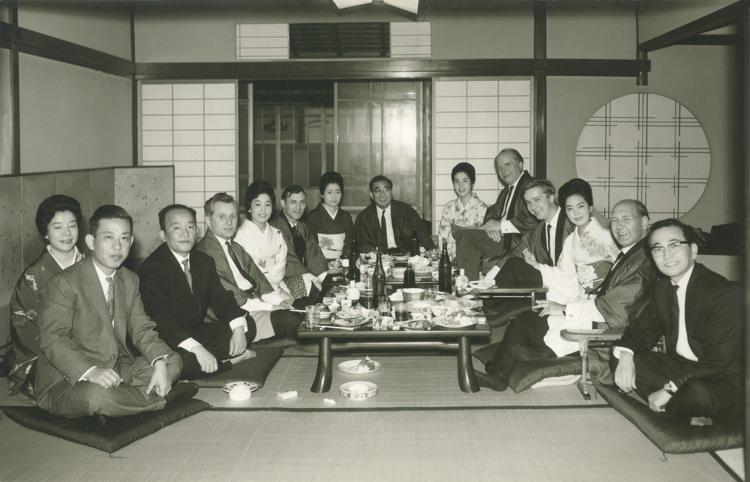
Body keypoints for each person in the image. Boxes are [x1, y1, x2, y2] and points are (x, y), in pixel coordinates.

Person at [476, 199, 657, 392]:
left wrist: (564, 308)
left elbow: (614, 309)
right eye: (615, 220)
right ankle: (500, 375)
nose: (619, 226)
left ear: (644, 222)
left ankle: (544, 353)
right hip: (589, 305)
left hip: (606, 323)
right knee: (525, 320)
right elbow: (566, 275)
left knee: (544, 322)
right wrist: (541, 273)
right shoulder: (629, 252)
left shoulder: (642, 262)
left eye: (626, 219)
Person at [35, 205, 189, 421]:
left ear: (131, 242)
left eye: (124, 238)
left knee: (173, 361)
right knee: (96, 397)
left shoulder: (129, 279)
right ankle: (161, 399)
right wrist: (91, 372)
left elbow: (142, 328)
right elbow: (53, 339)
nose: (117, 247)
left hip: (117, 369)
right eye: (108, 238)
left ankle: (123, 399)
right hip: (68, 379)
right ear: (90, 242)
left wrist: (159, 363)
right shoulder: (64, 283)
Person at [611, 219, 742, 421]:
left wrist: (671, 387)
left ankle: (675, 405)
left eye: (674, 246)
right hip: (682, 368)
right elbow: (643, 328)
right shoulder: (663, 287)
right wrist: (627, 356)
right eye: (658, 249)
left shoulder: (720, 293)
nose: (667, 255)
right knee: (621, 358)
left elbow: (717, 361)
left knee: (698, 393)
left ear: (693, 250)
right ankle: (681, 409)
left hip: (721, 376)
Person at [138, 204, 257, 381]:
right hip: (168, 338)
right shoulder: (152, 269)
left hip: (196, 331)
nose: (185, 233)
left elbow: (221, 299)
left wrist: (238, 330)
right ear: (163, 235)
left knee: (247, 325)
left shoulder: (204, 261)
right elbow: (161, 322)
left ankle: (210, 360)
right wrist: (197, 349)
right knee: (181, 363)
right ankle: (230, 361)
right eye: (176, 228)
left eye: (190, 227)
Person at [7, 195, 86, 397]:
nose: (67, 233)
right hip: (48, 355)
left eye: (72, 225)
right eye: (58, 227)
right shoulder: (32, 277)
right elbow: (24, 329)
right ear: (45, 232)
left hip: (91, 349)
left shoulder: (91, 267)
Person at [196, 192, 301, 342]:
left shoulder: (235, 247)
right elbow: (232, 298)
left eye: (233, 216)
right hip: (233, 315)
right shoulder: (206, 254)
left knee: (303, 307)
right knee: (293, 321)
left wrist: (279, 302)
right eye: (222, 217)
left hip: (253, 303)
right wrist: (271, 307)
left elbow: (259, 280)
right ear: (207, 220)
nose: (229, 222)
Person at [521, 178, 619, 306]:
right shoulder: (569, 241)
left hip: (606, 302)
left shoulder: (607, 236)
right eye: (570, 209)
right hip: (581, 302)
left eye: (580, 206)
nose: (576, 213)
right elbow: (564, 276)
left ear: (590, 208)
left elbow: (623, 272)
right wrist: (537, 265)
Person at [454, 149, 540, 280]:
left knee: (468, 237)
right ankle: (465, 280)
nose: (503, 170)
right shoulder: (507, 191)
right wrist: (491, 228)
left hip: (518, 242)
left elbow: (535, 220)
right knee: (459, 233)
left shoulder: (532, 186)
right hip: (502, 239)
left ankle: (467, 286)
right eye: (499, 167)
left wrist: (502, 225)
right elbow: (491, 211)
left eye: (507, 165)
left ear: (521, 165)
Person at [491, 179, 574, 290]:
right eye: (528, 202)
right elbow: (518, 251)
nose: (533, 207)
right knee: (513, 264)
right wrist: (489, 280)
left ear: (551, 198)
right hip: (552, 281)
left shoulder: (571, 221)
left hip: (572, 283)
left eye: (537, 200)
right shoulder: (539, 230)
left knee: (514, 266)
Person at [234, 181, 294, 302]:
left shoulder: (277, 234)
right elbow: (247, 271)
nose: (263, 210)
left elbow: (281, 265)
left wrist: (275, 287)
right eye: (257, 204)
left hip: (277, 285)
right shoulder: (240, 236)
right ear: (249, 208)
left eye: (267, 204)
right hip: (253, 290)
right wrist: (271, 287)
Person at [272, 185, 328, 302]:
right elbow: (289, 259)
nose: (298, 207)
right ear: (283, 203)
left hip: (302, 273)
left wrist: (321, 276)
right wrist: (310, 276)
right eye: (293, 202)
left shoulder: (301, 226)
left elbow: (313, 252)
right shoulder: (277, 227)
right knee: (307, 288)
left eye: (302, 202)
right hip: (282, 277)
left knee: (325, 287)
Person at [353, 175, 435, 254]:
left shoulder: (406, 211)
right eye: (377, 191)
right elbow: (362, 244)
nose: (382, 194)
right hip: (378, 260)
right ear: (371, 195)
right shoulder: (364, 218)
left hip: (406, 258)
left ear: (391, 193)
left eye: (386, 190)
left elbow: (422, 238)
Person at [436, 162, 488, 261]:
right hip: (449, 260)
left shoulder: (482, 208)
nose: (460, 185)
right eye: (456, 181)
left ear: (472, 183)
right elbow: (442, 237)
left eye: (465, 181)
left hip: (472, 262)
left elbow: (482, 241)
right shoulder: (449, 207)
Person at [305, 171, 354, 267]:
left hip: (341, 265)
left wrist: (342, 261)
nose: (334, 196)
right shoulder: (313, 217)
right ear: (322, 194)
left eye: (338, 192)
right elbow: (312, 248)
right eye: (329, 192)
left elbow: (348, 245)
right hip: (319, 266)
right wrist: (326, 265)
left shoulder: (346, 217)